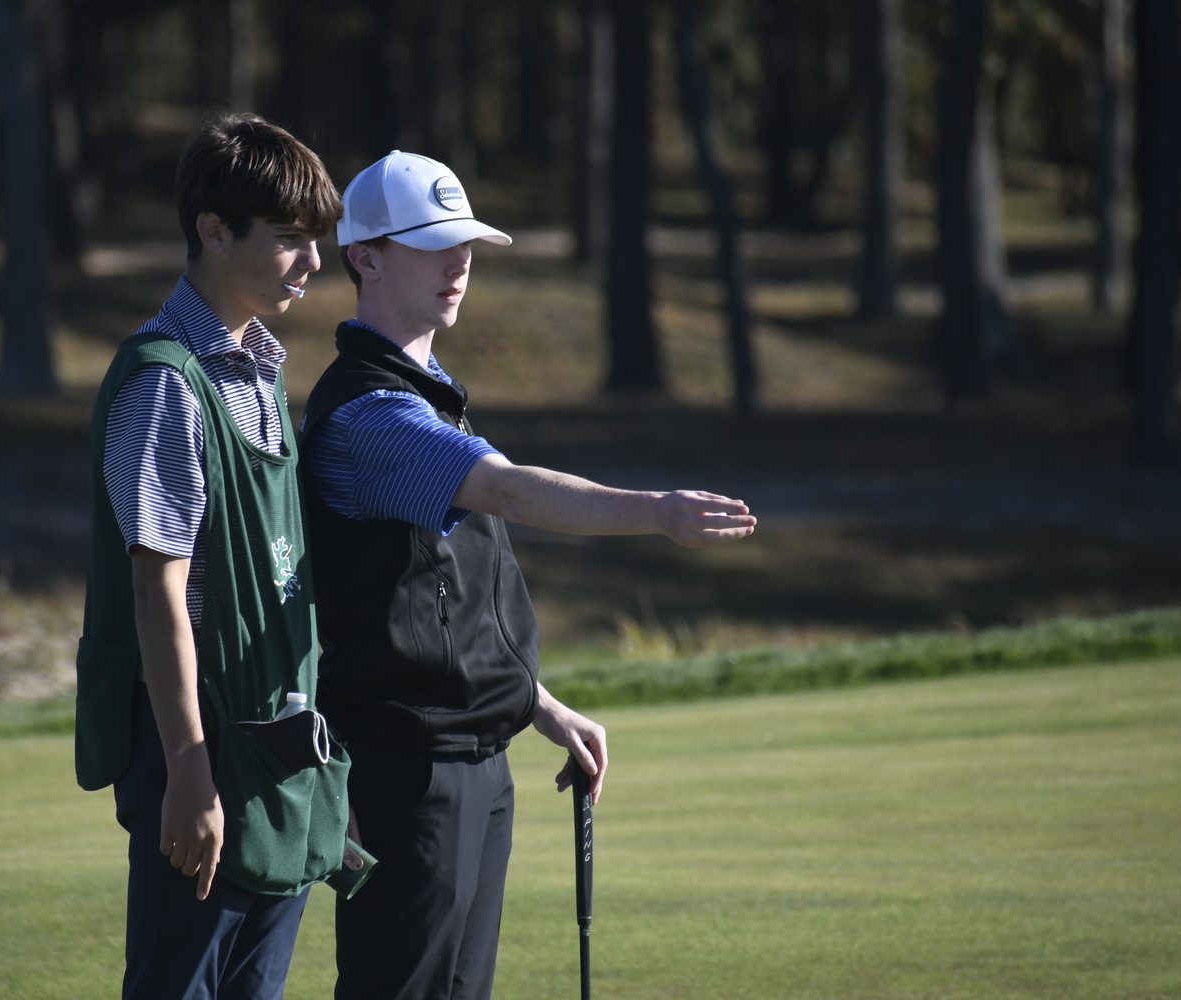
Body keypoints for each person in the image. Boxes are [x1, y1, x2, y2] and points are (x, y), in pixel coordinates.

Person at [298, 151, 758, 1000]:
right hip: (409, 773)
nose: (459, 262)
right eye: (434, 244)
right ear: (366, 256)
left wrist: (536, 705)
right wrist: (655, 510)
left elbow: (441, 595)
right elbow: (506, 489)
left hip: (474, 758)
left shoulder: (427, 390)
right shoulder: (371, 413)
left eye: (465, 242)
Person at [74, 114, 350, 1000]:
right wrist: (188, 773)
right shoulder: (164, 381)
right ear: (213, 230)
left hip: (271, 746)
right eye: (290, 241)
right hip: (198, 752)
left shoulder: (262, 366)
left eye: (318, 242)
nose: (313, 264)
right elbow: (158, 592)